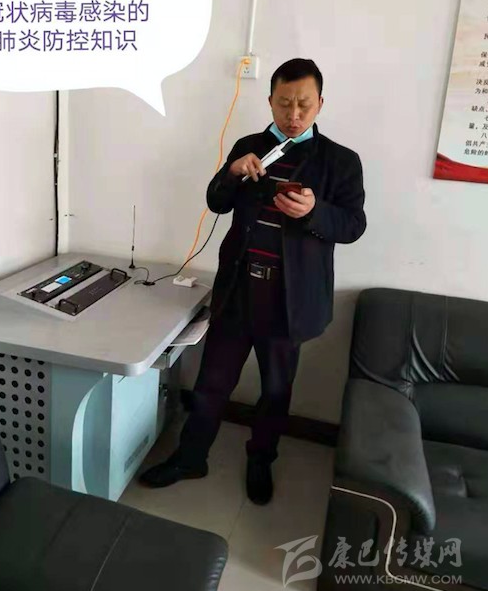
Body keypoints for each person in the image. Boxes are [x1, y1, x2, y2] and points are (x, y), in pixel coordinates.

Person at [139, 58, 366, 504]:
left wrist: (315, 212)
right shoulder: (250, 147)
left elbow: (354, 225)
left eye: (304, 104)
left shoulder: (340, 161)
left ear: (320, 103)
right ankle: (191, 457)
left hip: (290, 299)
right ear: (270, 101)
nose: (293, 114)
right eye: (284, 103)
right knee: (212, 382)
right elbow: (216, 202)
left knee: (276, 391)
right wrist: (231, 173)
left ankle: (261, 459)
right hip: (239, 290)